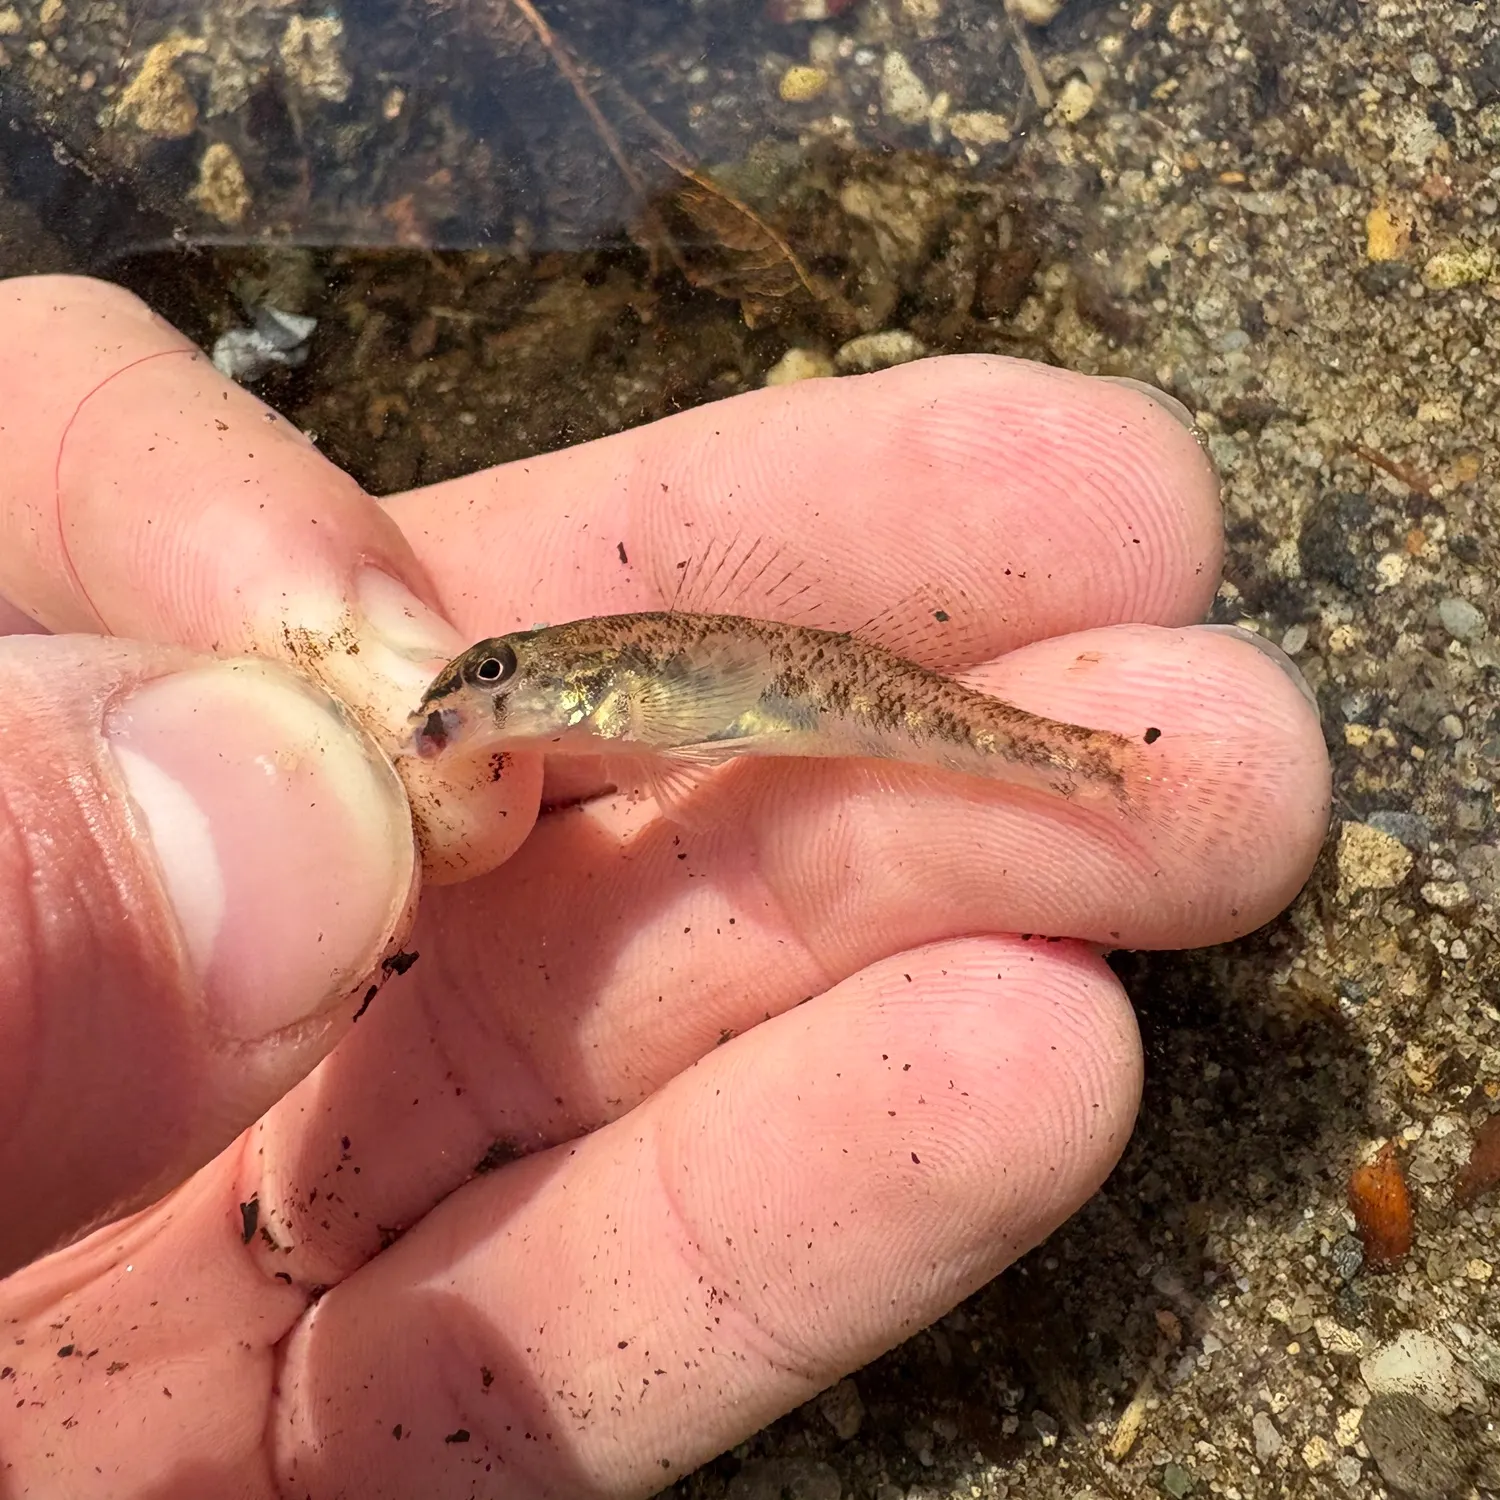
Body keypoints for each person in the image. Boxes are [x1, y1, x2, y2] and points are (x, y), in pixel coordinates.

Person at [0, 275, 1330, 1497]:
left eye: (495, 674)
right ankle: (1095, 767)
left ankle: (1098, 768)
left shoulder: (599, 684)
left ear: (568, 682)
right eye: (484, 677)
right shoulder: (581, 695)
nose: (472, 689)